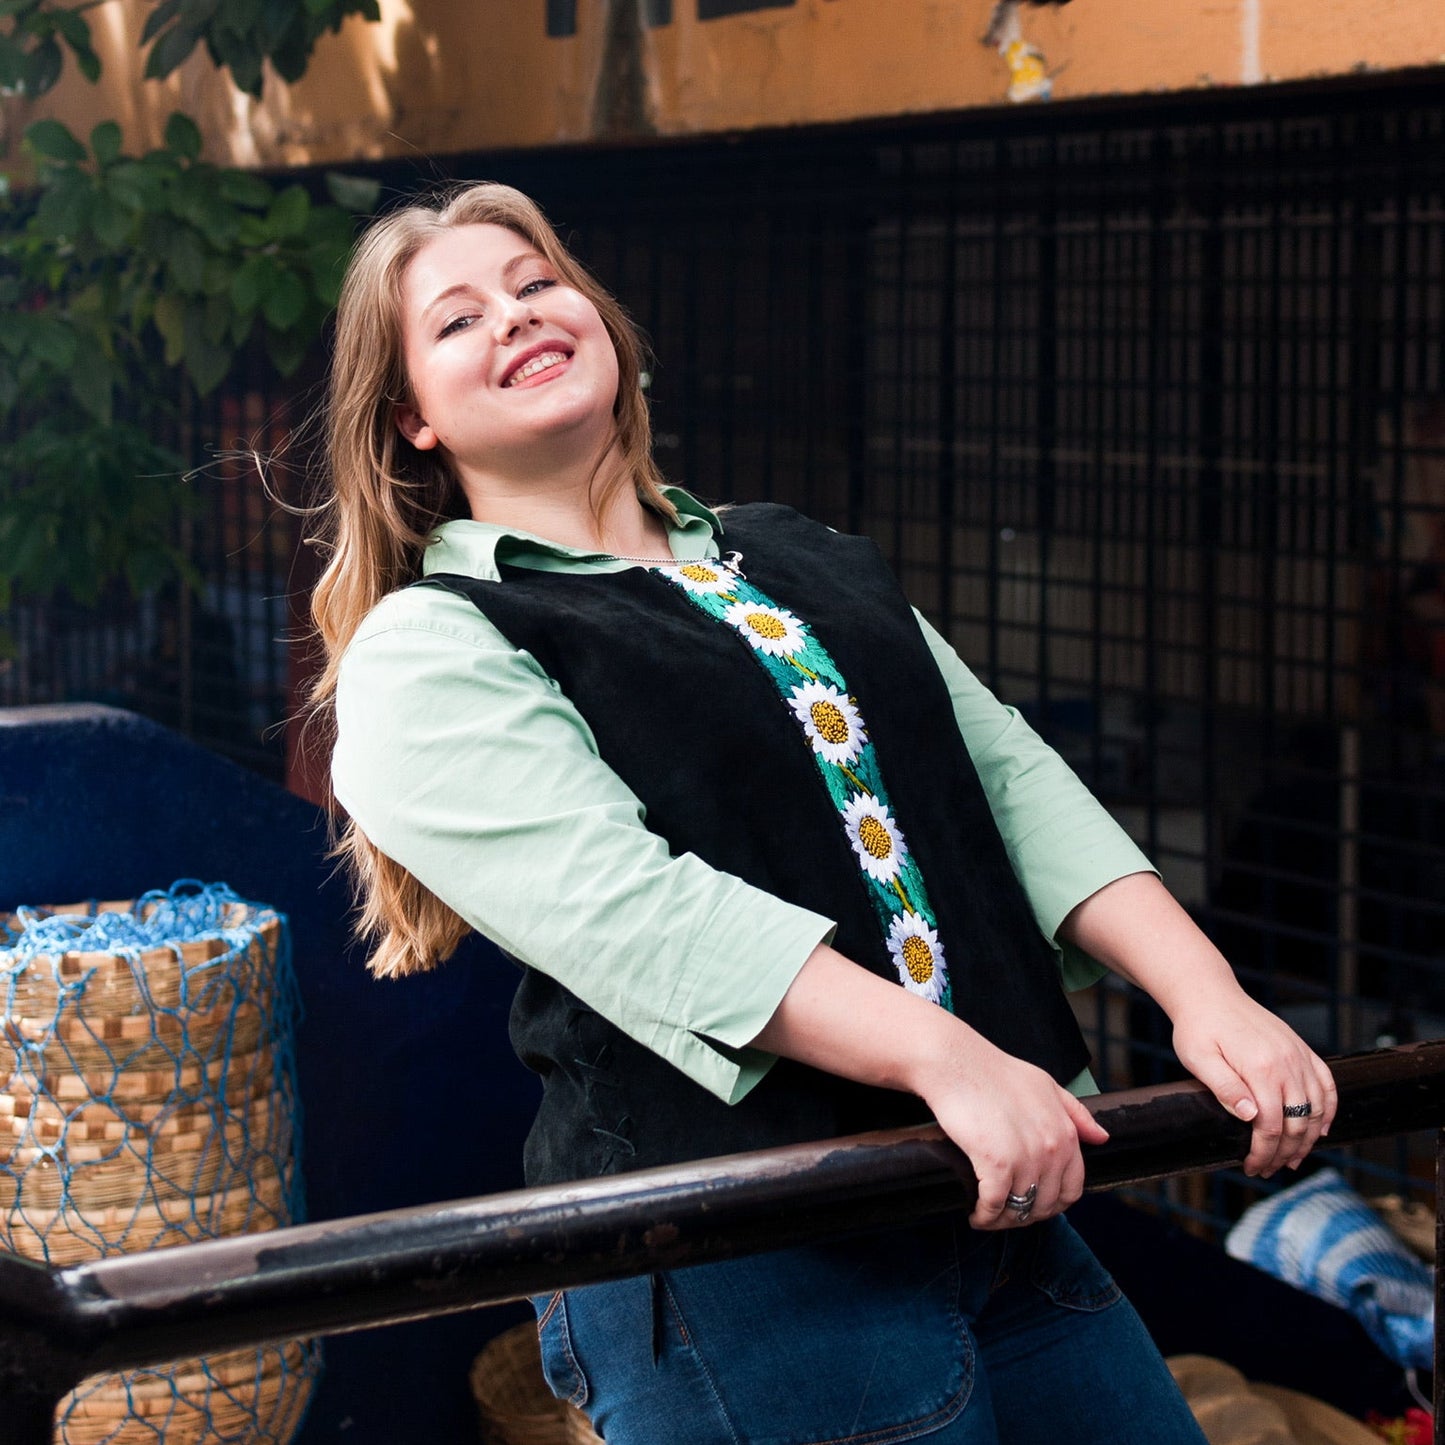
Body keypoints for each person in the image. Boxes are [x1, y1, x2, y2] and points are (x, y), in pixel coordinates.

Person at [312, 182, 1337, 1445]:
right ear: (410, 417)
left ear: (604, 322)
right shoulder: (431, 645)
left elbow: (1004, 779)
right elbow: (635, 907)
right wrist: (947, 1056)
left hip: (990, 1199)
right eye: (456, 319)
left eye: (534, 283)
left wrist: (1206, 994)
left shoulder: (794, 551)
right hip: (743, 1256)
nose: (516, 316)